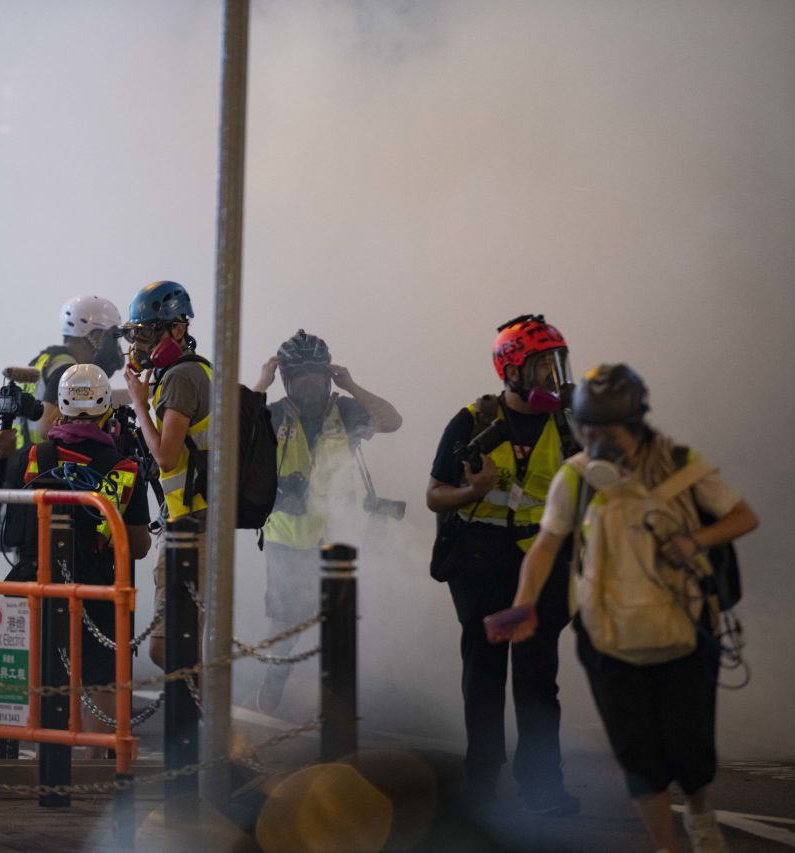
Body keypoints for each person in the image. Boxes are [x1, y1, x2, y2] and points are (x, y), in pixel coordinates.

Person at [508, 364, 758, 853]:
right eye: (588, 430)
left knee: (690, 749)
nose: (596, 440)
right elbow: (545, 547)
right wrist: (522, 607)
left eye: (607, 429)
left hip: (684, 629)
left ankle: (702, 818)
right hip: (607, 636)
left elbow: (742, 516)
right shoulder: (575, 477)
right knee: (635, 754)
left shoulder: (684, 465)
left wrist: (695, 541)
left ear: (637, 421)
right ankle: (665, 846)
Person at [424, 313, 580, 815]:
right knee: (486, 673)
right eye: (541, 367)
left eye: (557, 364)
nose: (553, 377)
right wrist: (473, 489)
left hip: (539, 568)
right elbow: (433, 496)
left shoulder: (570, 423)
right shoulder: (474, 421)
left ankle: (542, 786)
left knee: (537, 677)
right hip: (484, 566)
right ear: (512, 371)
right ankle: (482, 784)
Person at [251, 329, 402, 712]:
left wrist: (350, 384)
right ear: (287, 380)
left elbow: (391, 420)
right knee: (285, 625)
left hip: (336, 539)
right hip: (286, 538)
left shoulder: (345, 411)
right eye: (300, 375)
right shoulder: (273, 413)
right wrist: (261, 384)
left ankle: (338, 711)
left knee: (338, 624)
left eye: (316, 374)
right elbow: (236, 434)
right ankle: (268, 696)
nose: (309, 383)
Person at [4, 363, 152, 754]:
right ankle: (95, 766)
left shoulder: (30, 458)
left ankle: (39, 756)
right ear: (106, 409)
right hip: (98, 588)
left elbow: (7, 529)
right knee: (100, 677)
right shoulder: (125, 468)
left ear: (60, 408)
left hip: (35, 582)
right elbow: (138, 547)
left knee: (41, 670)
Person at [120, 280, 209, 669]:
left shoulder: (181, 377)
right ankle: (200, 726)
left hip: (191, 528)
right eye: (137, 334)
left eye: (149, 332)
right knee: (182, 646)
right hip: (187, 521)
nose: (140, 344)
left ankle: (204, 726)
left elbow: (167, 456)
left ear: (178, 328)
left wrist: (139, 403)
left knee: (168, 647)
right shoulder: (187, 372)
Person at [11, 295, 125, 451]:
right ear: (95, 336)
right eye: (112, 337)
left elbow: (92, 400)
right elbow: (46, 429)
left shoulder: (47, 360)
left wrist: (140, 395)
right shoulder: (67, 372)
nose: (114, 345)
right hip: (39, 465)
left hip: (20, 463)